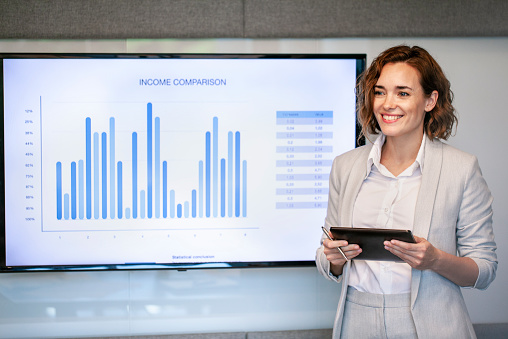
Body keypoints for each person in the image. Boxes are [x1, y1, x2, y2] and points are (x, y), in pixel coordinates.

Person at [315, 45, 497, 339]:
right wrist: (334, 259)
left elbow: (484, 270)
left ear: (429, 100)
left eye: (403, 93)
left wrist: (436, 260)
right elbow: (326, 257)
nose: (388, 103)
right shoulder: (345, 166)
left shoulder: (462, 169)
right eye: (379, 92)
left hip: (434, 324)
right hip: (356, 320)